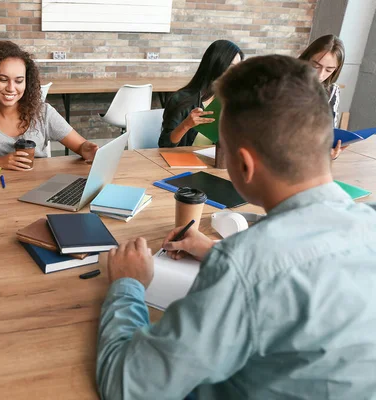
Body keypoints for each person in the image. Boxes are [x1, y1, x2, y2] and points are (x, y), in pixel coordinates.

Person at [97, 55, 376, 399]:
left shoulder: (243, 265)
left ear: (243, 164)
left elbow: (128, 387)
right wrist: (214, 251)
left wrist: (127, 285)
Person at [0, 41, 98, 170]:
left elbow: (80, 146)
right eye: (3, 79)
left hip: (40, 184)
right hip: (0, 188)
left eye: (19, 81)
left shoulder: (43, 112)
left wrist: (87, 149)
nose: (11, 88)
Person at [158, 40, 243, 148]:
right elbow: (164, 145)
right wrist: (186, 125)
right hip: (184, 162)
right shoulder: (181, 99)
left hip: (215, 162)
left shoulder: (229, 100)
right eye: (231, 67)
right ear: (216, 65)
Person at [299, 34, 346, 159]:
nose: (320, 74)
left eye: (329, 70)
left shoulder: (332, 92)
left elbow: (330, 132)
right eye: (316, 66)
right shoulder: (283, 83)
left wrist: (332, 152)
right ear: (306, 58)